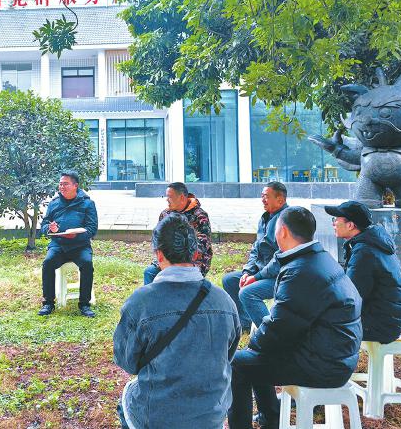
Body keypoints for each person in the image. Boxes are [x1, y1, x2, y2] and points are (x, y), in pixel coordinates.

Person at [227, 206, 362, 429]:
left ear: (282, 232)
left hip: (324, 364)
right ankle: (271, 418)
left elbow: (279, 329)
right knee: (257, 355)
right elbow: (285, 325)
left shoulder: (301, 271)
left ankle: (258, 421)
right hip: (334, 354)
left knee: (238, 364)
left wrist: (254, 345)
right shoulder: (317, 258)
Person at [114, 213, 240, 429]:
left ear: (159, 254)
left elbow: (127, 362)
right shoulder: (225, 301)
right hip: (211, 417)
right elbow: (228, 355)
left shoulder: (141, 302)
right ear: (195, 253)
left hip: (158, 417)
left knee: (126, 400)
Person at [326, 200, 401, 343]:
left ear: (350, 225)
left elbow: (352, 296)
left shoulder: (364, 252)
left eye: (336, 220)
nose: (333, 224)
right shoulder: (372, 243)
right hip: (389, 319)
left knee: (319, 326)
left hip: (381, 325)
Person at [222, 181, 288, 330]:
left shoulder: (286, 220)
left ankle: (270, 332)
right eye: (262, 196)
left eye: (266, 196)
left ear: (280, 200)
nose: (263, 200)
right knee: (230, 280)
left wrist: (256, 277)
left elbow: (281, 257)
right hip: (261, 271)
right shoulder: (265, 218)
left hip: (280, 276)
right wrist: (247, 272)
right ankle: (245, 323)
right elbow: (255, 250)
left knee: (247, 292)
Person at [38, 170, 98, 318]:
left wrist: (76, 235)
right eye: (60, 184)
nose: (62, 187)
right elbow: (44, 225)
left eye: (65, 184)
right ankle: (48, 303)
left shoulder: (88, 204)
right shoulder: (54, 203)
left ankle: (84, 304)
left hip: (80, 246)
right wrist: (50, 228)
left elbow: (92, 229)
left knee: (87, 263)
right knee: (48, 263)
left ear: (75, 186)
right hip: (58, 245)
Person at [143, 182, 213, 284]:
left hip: (192, 260)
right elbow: (158, 239)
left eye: (170, 197)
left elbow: (203, 244)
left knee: (180, 278)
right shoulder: (165, 214)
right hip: (168, 257)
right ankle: (152, 294)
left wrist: (178, 257)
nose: (167, 200)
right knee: (150, 272)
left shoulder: (200, 216)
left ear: (181, 197)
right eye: (166, 196)